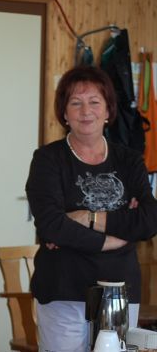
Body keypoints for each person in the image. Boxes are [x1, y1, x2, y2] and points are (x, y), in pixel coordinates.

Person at [26, 66, 157, 352]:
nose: (86, 111)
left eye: (94, 102)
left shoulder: (130, 160)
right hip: (63, 289)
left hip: (120, 291)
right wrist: (116, 237)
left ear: (108, 110)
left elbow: (148, 220)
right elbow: (51, 226)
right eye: (76, 103)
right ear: (64, 113)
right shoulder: (48, 159)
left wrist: (87, 218)